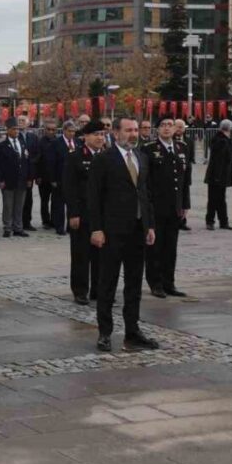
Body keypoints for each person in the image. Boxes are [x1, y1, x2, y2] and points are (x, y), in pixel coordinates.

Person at [88, 117, 158, 352]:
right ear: (116, 133)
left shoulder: (141, 157)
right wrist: (96, 229)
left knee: (134, 283)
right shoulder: (104, 160)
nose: (133, 134)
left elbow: (145, 193)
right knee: (107, 283)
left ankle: (133, 330)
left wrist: (149, 225)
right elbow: (94, 197)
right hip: (111, 231)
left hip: (137, 230)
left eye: (136, 130)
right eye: (129, 130)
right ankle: (105, 332)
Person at [141, 117, 187, 299]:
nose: (167, 128)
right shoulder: (149, 149)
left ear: (176, 128)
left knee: (171, 247)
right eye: (163, 125)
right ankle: (155, 283)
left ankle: (169, 282)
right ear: (157, 129)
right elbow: (145, 182)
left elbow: (184, 180)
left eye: (170, 125)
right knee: (155, 247)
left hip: (174, 206)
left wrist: (184, 204)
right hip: (156, 206)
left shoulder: (182, 147)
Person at [62, 120, 105, 304]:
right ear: (85, 137)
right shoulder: (75, 156)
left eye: (102, 134)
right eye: (96, 134)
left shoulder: (108, 156)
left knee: (101, 255)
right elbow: (69, 186)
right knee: (81, 254)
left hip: (103, 214)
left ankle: (98, 289)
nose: (100, 138)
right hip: (82, 212)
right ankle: (80, 290)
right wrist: (73, 213)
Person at [0, 117, 31, 238]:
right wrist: (0, 180)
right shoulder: (1, 146)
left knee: (19, 205)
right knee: (8, 205)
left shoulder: (22, 143)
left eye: (18, 129)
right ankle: (7, 227)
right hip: (8, 180)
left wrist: (29, 178)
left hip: (21, 180)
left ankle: (18, 227)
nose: (16, 131)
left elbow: (26, 162)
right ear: (8, 130)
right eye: (14, 129)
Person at [204, 119, 232, 230]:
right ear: (229, 128)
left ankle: (223, 221)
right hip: (217, 175)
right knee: (213, 199)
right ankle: (210, 221)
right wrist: (217, 176)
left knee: (221, 199)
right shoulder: (220, 141)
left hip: (221, 175)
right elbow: (218, 160)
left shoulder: (224, 139)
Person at [48, 120, 77, 235]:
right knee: (59, 204)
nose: (72, 134)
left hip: (74, 179)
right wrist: (53, 179)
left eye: (74, 131)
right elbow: (51, 162)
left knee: (72, 204)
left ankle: (71, 226)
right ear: (64, 131)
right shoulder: (56, 143)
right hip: (60, 178)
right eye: (70, 131)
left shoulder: (78, 142)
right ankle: (59, 227)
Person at [16, 115, 40, 231]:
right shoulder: (14, 136)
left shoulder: (33, 137)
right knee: (17, 199)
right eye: (19, 120)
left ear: (28, 123)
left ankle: (27, 222)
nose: (20, 122)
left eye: (23, 120)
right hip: (18, 172)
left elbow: (37, 153)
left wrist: (31, 162)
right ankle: (17, 222)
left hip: (30, 172)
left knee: (28, 199)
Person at [35, 121, 58, 229]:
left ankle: (54, 220)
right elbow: (37, 161)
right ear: (44, 130)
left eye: (53, 129)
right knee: (44, 200)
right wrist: (37, 176)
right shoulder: (40, 142)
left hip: (55, 177)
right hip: (43, 177)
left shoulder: (58, 141)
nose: (50, 131)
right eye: (48, 129)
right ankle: (45, 221)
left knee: (56, 201)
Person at [174, 119, 194, 231]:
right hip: (174, 175)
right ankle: (175, 220)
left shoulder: (189, 141)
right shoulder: (170, 140)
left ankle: (183, 221)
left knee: (185, 198)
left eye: (181, 127)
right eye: (177, 127)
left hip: (186, 174)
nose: (179, 129)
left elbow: (191, 157)